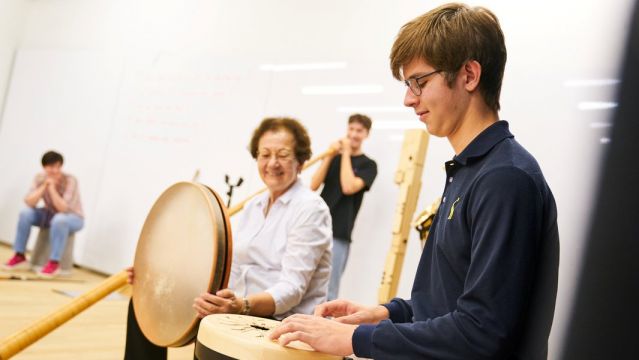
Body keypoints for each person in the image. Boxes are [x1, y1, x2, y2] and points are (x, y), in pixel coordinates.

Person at [270, 3, 560, 359]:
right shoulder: (467, 170)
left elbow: (481, 333)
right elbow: (442, 303)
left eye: (419, 82)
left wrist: (356, 340)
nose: (409, 99)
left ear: (469, 75)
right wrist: (387, 313)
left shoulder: (505, 179)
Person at [124, 117, 332, 359]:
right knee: (146, 305)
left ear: (301, 160)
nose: (272, 163)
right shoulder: (253, 205)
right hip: (239, 310)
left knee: (214, 324)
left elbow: (292, 289)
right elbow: (227, 265)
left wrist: (241, 305)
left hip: (278, 320)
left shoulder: (311, 209)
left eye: (283, 154)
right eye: (264, 154)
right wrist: (155, 275)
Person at [310, 114, 377, 300]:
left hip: (339, 233)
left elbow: (349, 187)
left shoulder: (369, 165)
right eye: (351, 129)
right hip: (316, 227)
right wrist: (329, 156)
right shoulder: (334, 158)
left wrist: (346, 153)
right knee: (305, 279)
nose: (354, 134)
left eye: (359, 131)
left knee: (329, 289)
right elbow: (314, 185)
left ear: (366, 134)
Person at [3, 150, 84, 277]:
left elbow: (63, 208)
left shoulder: (70, 180)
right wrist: (44, 186)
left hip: (73, 218)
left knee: (60, 219)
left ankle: (54, 262)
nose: (55, 170)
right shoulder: (39, 178)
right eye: (51, 167)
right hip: (49, 215)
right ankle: (19, 255)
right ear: (44, 167)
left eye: (58, 166)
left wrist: (51, 188)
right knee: (25, 213)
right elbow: (29, 202)